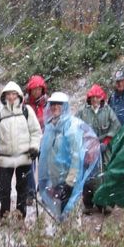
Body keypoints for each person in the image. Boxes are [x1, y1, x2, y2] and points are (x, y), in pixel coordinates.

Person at [0, 81, 42, 228]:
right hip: (5, 159)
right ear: (4, 96)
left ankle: (20, 218)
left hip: (24, 158)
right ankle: (4, 216)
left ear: (19, 95)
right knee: (4, 189)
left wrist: (35, 147)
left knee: (22, 189)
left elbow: (36, 132)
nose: (11, 97)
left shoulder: (26, 110)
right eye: (8, 94)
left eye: (13, 94)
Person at [38, 92, 100, 220]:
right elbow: (46, 155)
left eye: (59, 104)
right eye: (53, 104)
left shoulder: (71, 128)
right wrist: (44, 179)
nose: (55, 107)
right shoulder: (51, 128)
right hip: (55, 180)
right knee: (58, 216)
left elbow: (76, 158)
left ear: (65, 106)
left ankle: (70, 238)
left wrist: (69, 183)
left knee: (70, 216)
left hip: (67, 181)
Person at [76, 84, 121, 214]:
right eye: (92, 98)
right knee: (88, 176)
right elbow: (76, 128)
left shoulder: (108, 111)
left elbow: (115, 126)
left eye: (97, 97)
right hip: (88, 148)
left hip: (104, 148)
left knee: (106, 174)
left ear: (102, 98)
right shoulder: (82, 112)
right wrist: (86, 144)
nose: (95, 100)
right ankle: (88, 203)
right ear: (89, 99)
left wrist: (106, 142)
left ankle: (105, 203)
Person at [24, 74, 48, 204]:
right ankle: (30, 192)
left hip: (44, 137)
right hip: (30, 138)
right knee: (29, 165)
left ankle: (44, 191)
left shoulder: (47, 103)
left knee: (44, 165)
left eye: (39, 89)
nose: (37, 92)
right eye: (34, 89)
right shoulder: (25, 104)